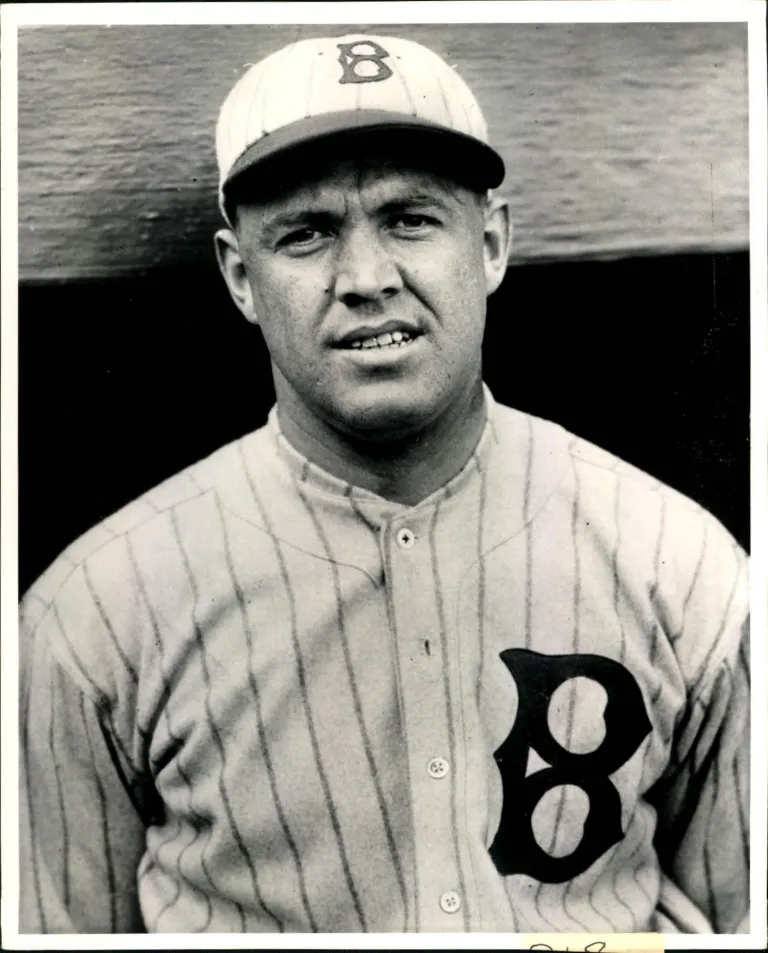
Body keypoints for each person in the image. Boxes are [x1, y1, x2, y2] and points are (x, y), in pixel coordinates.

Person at [19, 33, 749, 935]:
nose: (366, 279)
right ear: (242, 277)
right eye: (307, 233)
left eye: (410, 219)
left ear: (490, 243)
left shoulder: (681, 564)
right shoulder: (95, 613)